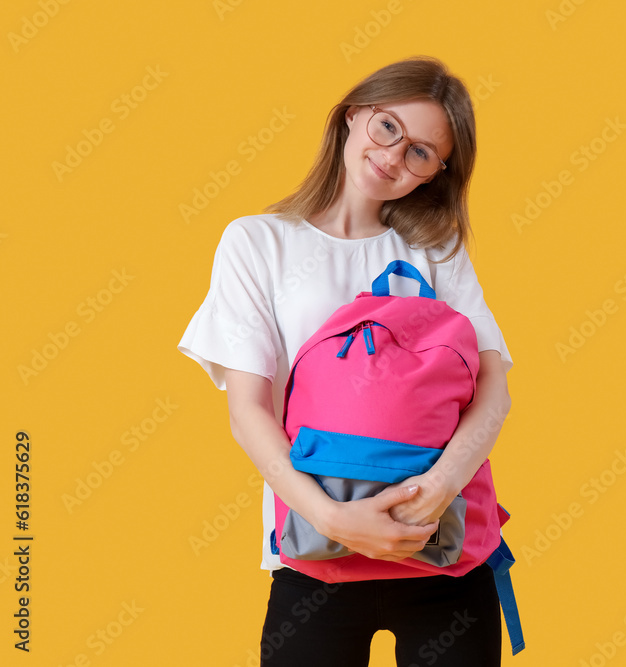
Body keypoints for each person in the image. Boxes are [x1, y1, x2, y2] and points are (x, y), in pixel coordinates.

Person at [177, 55, 513, 666]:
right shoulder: (258, 242)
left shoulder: (435, 252)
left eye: (421, 153)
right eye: (388, 128)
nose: (393, 156)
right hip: (314, 555)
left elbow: (493, 394)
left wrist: (438, 488)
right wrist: (334, 518)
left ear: (435, 174)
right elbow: (248, 411)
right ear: (355, 115)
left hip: (442, 546)